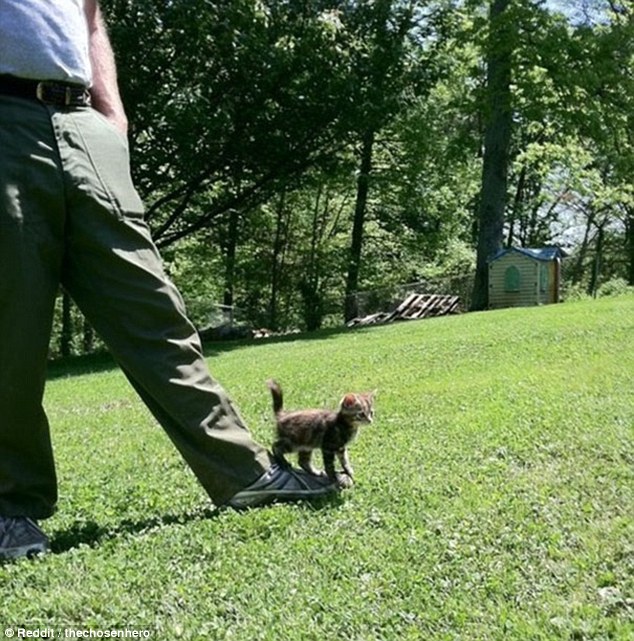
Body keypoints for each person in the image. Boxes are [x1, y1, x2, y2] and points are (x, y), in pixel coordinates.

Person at [0, 0, 338, 561]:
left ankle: (246, 472)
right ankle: (10, 509)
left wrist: (111, 115)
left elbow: (88, 16)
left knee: (154, 312)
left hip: (82, 125)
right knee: (10, 327)